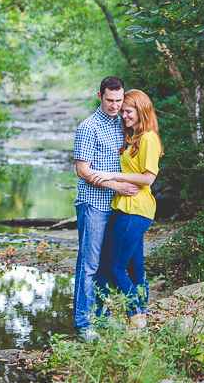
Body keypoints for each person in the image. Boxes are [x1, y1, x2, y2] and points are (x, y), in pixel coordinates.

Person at [72, 76, 141, 338]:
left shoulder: (123, 124)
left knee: (107, 266)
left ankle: (101, 319)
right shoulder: (88, 127)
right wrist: (116, 185)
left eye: (119, 100)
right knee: (89, 265)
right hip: (93, 204)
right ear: (99, 96)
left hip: (118, 207)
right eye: (110, 100)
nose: (115, 105)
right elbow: (83, 170)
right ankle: (83, 325)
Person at [94, 89, 163, 330]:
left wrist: (112, 175)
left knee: (114, 268)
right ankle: (141, 318)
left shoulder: (148, 139)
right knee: (135, 269)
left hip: (136, 209)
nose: (123, 115)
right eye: (122, 111)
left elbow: (148, 178)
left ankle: (136, 319)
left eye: (128, 111)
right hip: (124, 207)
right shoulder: (133, 138)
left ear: (142, 111)